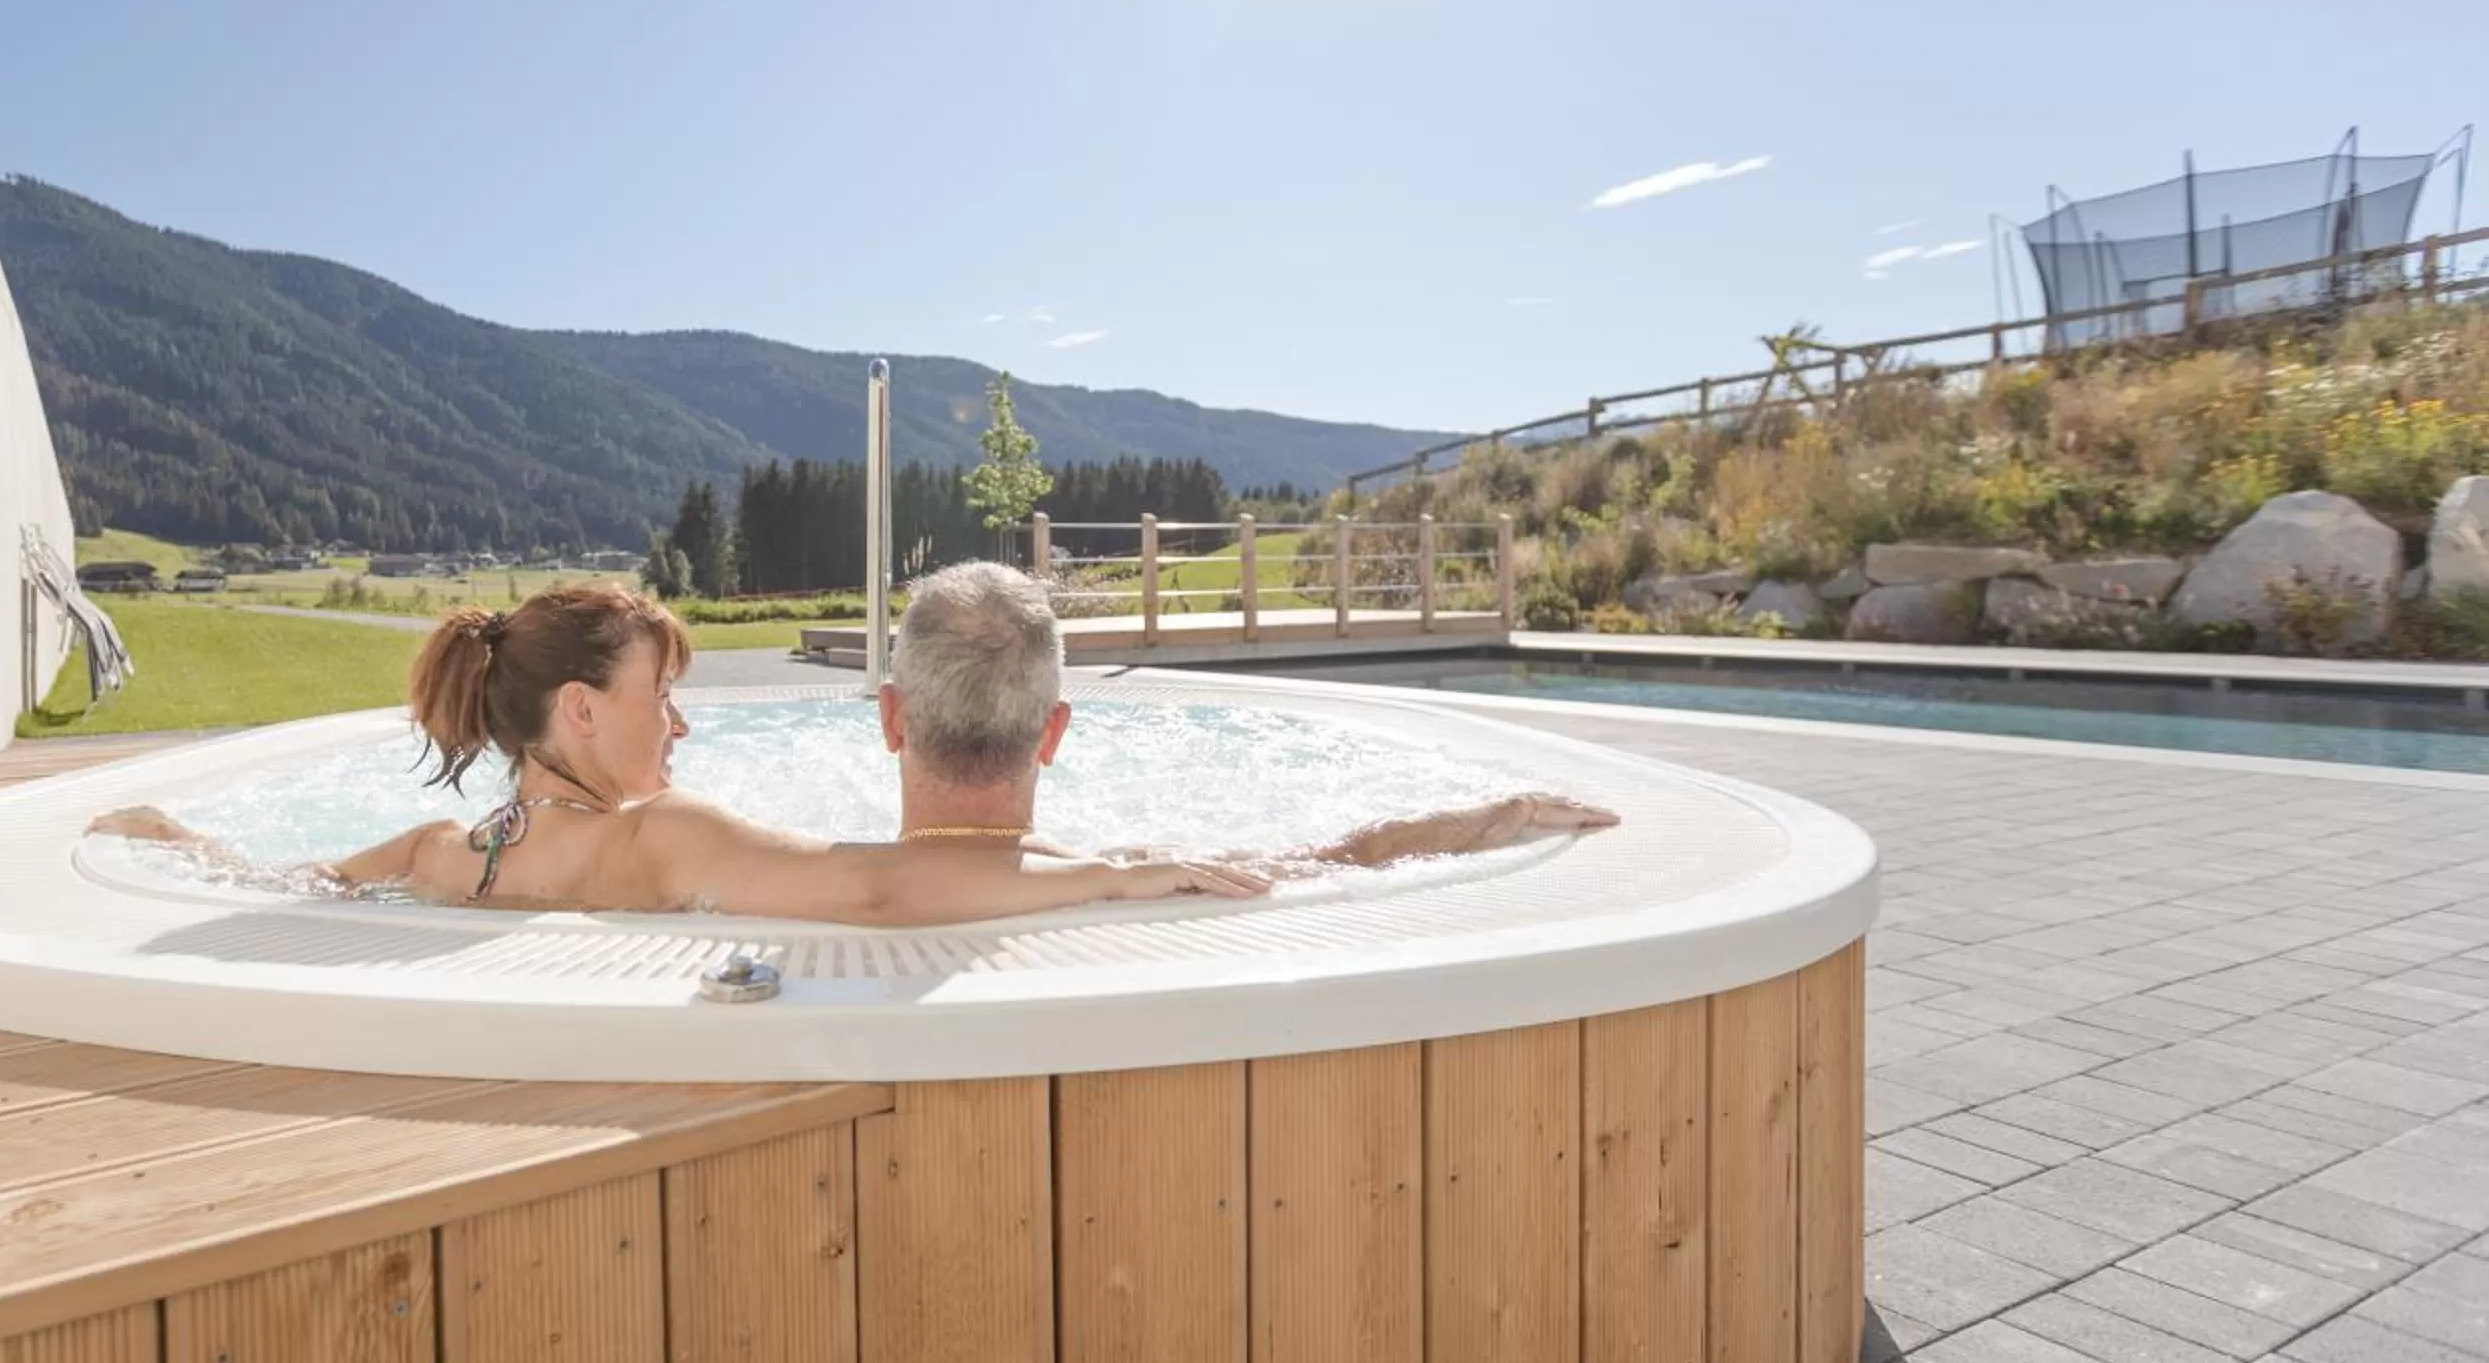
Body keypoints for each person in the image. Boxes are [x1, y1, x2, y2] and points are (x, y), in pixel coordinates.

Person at [89, 566, 1614, 924]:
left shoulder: (442, 855)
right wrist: (1124, 877)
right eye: (659, 693)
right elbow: (887, 892)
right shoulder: (655, 838)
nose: (681, 719)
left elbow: (282, 885)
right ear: (575, 715)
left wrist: (169, 842)